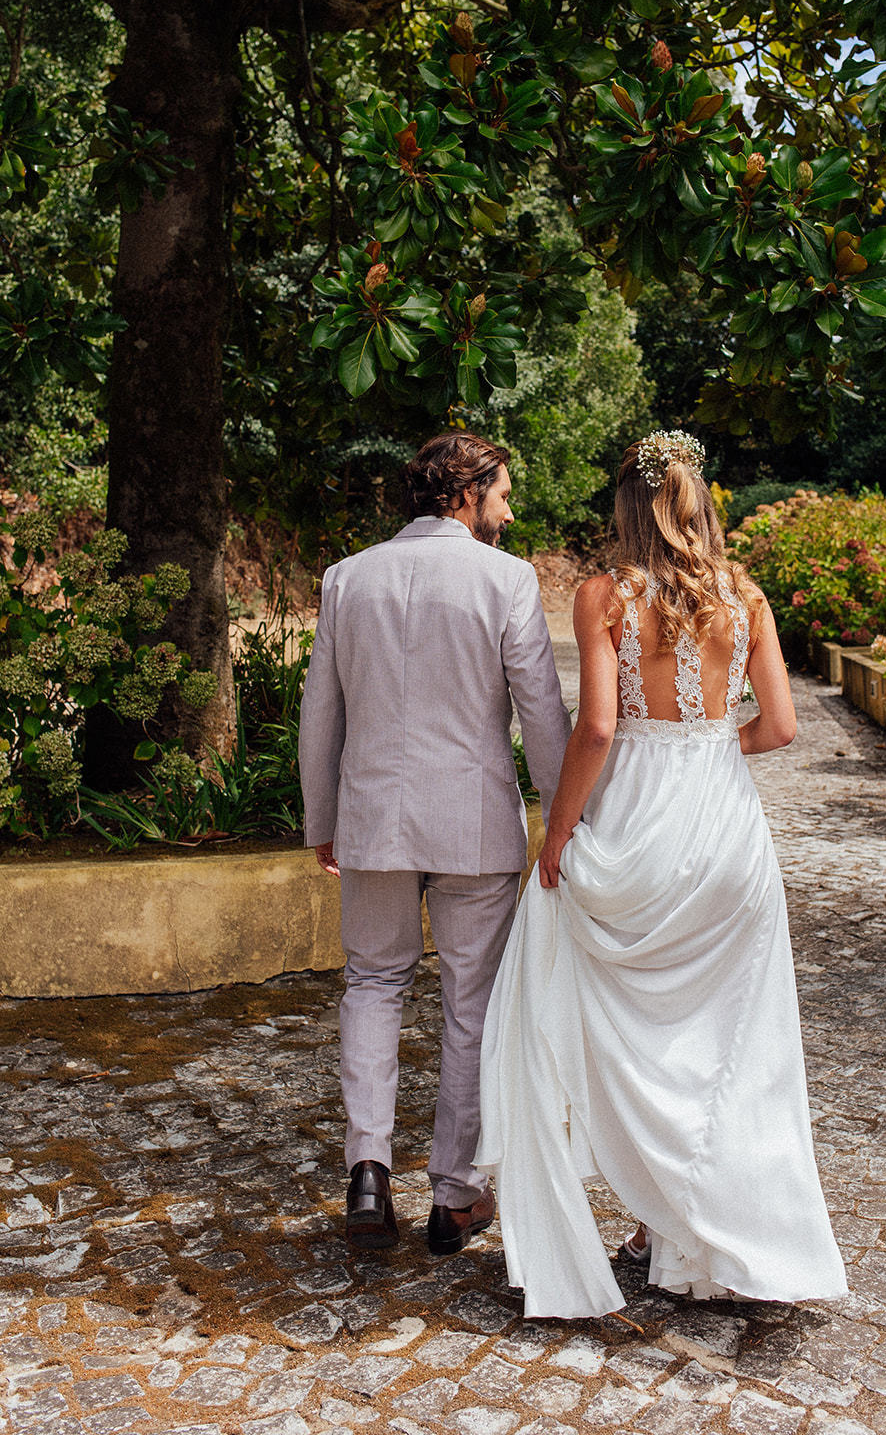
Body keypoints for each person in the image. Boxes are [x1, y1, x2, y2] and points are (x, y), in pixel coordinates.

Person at [477, 430, 847, 1318]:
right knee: (731, 1045)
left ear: (627, 506)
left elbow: (597, 728)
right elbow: (783, 727)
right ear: (698, 501)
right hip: (725, 831)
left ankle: (654, 1220)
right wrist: (714, 747)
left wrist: (557, 833)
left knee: (619, 1032)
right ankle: (695, 1233)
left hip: (635, 824)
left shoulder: (603, 595)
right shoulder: (746, 595)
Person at [299, 431, 571, 1256]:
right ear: (465, 492)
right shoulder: (508, 579)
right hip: (474, 827)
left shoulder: (349, 578)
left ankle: (369, 1168)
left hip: (373, 819)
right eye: (502, 494)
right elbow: (541, 715)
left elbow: (321, 713)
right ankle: (454, 1194)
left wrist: (322, 819)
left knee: (373, 985)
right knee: (470, 1006)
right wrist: (563, 819)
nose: (509, 510)